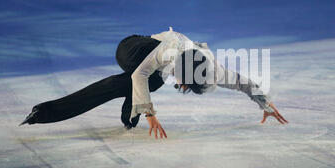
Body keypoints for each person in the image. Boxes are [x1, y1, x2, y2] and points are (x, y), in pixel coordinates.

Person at [20, 27, 288, 138]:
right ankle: (131, 113)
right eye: (183, 83)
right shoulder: (168, 53)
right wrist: (149, 114)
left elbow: (242, 82)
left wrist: (264, 102)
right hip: (133, 49)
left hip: (153, 68)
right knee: (134, 80)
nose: (182, 87)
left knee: (138, 84)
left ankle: (44, 112)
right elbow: (139, 75)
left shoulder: (212, 70)